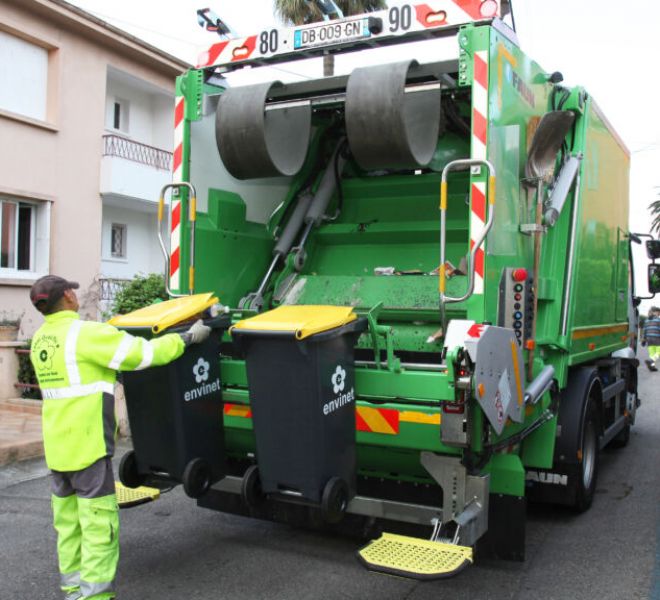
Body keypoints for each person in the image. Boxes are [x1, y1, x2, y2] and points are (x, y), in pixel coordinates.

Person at [29, 275, 211, 600]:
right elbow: (143, 355)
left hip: (57, 449)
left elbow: (83, 374)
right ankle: (96, 596)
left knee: (68, 526)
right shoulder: (86, 334)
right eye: (73, 290)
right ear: (69, 296)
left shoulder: (41, 339)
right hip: (87, 447)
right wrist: (187, 338)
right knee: (99, 525)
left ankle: (73, 589)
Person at [642, 306, 660, 372]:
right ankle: (650, 361)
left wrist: (643, 339)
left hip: (648, 339)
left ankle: (652, 367)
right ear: (656, 312)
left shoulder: (647, 320)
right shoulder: (658, 320)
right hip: (656, 338)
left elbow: (644, 330)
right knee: (658, 353)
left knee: (652, 354)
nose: (659, 314)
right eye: (659, 313)